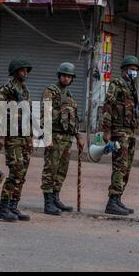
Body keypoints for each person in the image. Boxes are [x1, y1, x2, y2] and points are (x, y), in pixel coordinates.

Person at [40, 62, 85, 216]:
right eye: (64, 75)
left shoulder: (70, 96)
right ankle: (48, 202)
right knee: (50, 169)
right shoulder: (50, 92)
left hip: (67, 138)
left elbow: (74, 119)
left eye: (69, 76)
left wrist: (79, 136)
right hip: (54, 135)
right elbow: (44, 115)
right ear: (59, 76)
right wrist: (47, 137)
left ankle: (55, 197)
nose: (66, 79)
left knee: (62, 170)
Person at [101, 55, 139, 216]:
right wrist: (106, 130)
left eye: (135, 69)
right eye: (131, 69)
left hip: (130, 132)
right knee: (120, 166)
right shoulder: (116, 84)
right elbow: (107, 106)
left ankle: (117, 199)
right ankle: (112, 201)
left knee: (127, 167)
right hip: (119, 132)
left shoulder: (131, 87)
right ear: (124, 70)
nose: (133, 72)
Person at [0, 58, 33, 222]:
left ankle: (13, 206)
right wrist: (0, 136)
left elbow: (28, 115)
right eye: (22, 70)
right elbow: (0, 113)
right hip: (11, 136)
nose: (25, 73)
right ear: (15, 71)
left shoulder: (24, 90)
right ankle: (3, 208)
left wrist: (31, 137)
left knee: (22, 172)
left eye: (26, 71)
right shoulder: (6, 90)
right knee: (16, 170)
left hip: (24, 136)